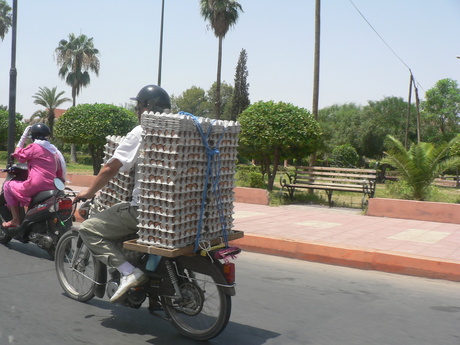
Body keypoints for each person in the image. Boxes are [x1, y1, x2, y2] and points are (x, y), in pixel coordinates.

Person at [75, 85, 171, 303]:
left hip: (145, 210)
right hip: (176, 212)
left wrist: (89, 192)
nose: (137, 110)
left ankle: (129, 272)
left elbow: (111, 168)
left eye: (138, 106)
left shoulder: (142, 131)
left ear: (146, 108)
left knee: (89, 229)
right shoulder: (179, 131)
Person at [2, 123, 67, 228]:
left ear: (33, 136)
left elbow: (18, 155)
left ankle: (15, 219)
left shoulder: (34, 147)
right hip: (52, 185)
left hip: (35, 185)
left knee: (7, 186)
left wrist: (23, 138)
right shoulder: (54, 151)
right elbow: (60, 172)